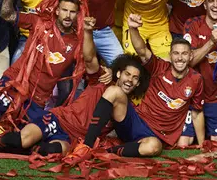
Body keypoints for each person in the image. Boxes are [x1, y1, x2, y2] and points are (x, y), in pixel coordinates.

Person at [0, 0, 89, 137]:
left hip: (37, 98)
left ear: (78, 15)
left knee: (25, 137)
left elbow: (90, 64)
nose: (68, 15)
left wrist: (103, 70)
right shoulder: (39, 23)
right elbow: (6, 14)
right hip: (14, 83)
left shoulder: (77, 42)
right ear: (57, 11)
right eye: (64, 10)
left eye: (72, 12)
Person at [0, 36, 149, 156]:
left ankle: (32, 147)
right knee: (23, 140)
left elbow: (131, 130)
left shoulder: (124, 108)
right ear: (119, 73)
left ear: (138, 84)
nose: (130, 80)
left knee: (53, 151)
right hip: (59, 120)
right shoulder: (101, 80)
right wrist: (87, 31)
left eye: (135, 78)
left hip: (73, 139)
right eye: (127, 74)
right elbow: (89, 58)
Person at [76, 13, 205, 157]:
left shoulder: (196, 79)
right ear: (170, 55)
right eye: (176, 53)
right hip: (135, 120)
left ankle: (107, 152)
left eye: (184, 54)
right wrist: (133, 29)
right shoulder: (160, 67)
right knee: (114, 91)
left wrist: (202, 145)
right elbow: (142, 51)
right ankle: (87, 146)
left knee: (154, 147)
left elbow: (197, 112)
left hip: (155, 136)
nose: (180, 58)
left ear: (191, 56)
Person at [183, 0, 217, 147]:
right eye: (211, 1)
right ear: (205, 5)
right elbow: (188, 61)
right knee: (183, 143)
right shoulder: (193, 24)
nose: (215, 5)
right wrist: (211, 42)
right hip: (192, 96)